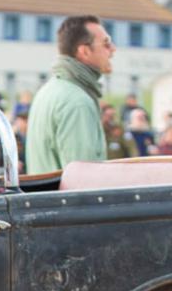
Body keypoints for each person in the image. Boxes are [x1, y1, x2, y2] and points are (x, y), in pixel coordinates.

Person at [25, 15, 113, 173]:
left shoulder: (48, 91)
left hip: (47, 189)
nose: (112, 50)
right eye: (106, 44)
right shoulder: (77, 102)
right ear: (84, 51)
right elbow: (83, 177)